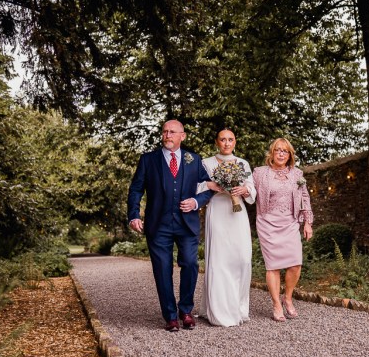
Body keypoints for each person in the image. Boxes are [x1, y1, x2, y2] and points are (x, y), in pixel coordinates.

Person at [127, 120, 214, 332]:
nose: (167, 135)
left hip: (187, 224)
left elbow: (209, 187)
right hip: (158, 224)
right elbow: (136, 189)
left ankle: (186, 310)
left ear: (182, 136)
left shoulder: (194, 159)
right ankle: (170, 316)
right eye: (165, 132)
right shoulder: (148, 160)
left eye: (172, 132)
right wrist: (134, 215)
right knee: (162, 269)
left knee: (191, 264)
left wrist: (196, 202)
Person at [197, 128, 256, 326]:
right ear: (217, 142)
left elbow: (252, 188)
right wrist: (211, 185)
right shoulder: (206, 163)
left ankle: (239, 308)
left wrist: (245, 189)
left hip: (238, 214)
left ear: (235, 142)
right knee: (220, 260)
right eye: (222, 139)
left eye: (230, 139)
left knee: (243, 259)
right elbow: (196, 186)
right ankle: (220, 312)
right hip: (218, 212)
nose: (227, 143)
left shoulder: (242, 163)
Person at [252, 137, 313, 322]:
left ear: (289, 155)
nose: (280, 154)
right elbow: (249, 191)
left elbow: (304, 198)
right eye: (277, 150)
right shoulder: (259, 173)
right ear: (272, 153)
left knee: (295, 263)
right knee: (273, 266)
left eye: (284, 151)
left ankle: (288, 298)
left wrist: (307, 222)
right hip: (267, 222)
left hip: (290, 222)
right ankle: (276, 303)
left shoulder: (297, 174)